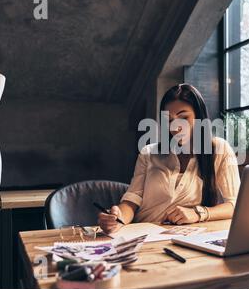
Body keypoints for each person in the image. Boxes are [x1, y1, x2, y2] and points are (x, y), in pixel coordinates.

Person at [98, 84, 240, 234]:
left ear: (199, 116)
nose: (175, 127)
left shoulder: (219, 150)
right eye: (169, 120)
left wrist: (198, 213)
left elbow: (234, 204)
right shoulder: (149, 153)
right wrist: (118, 216)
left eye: (183, 117)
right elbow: (132, 201)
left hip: (184, 238)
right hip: (142, 235)